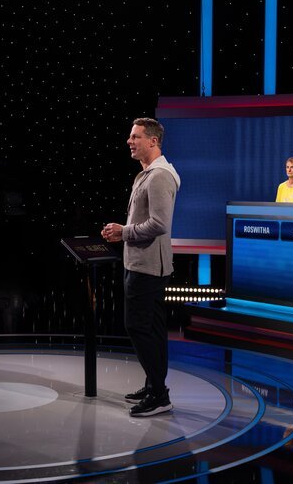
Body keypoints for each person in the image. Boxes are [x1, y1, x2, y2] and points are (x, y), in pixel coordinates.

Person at [102, 118, 181, 418]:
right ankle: (154, 385)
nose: (129, 141)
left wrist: (124, 232)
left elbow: (160, 224)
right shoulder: (148, 174)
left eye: (135, 137)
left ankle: (159, 396)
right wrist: (123, 231)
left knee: (138, 327)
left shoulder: (159, 176)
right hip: (143, 264)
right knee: (153, 329)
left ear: (152, 141)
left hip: (147, 268)